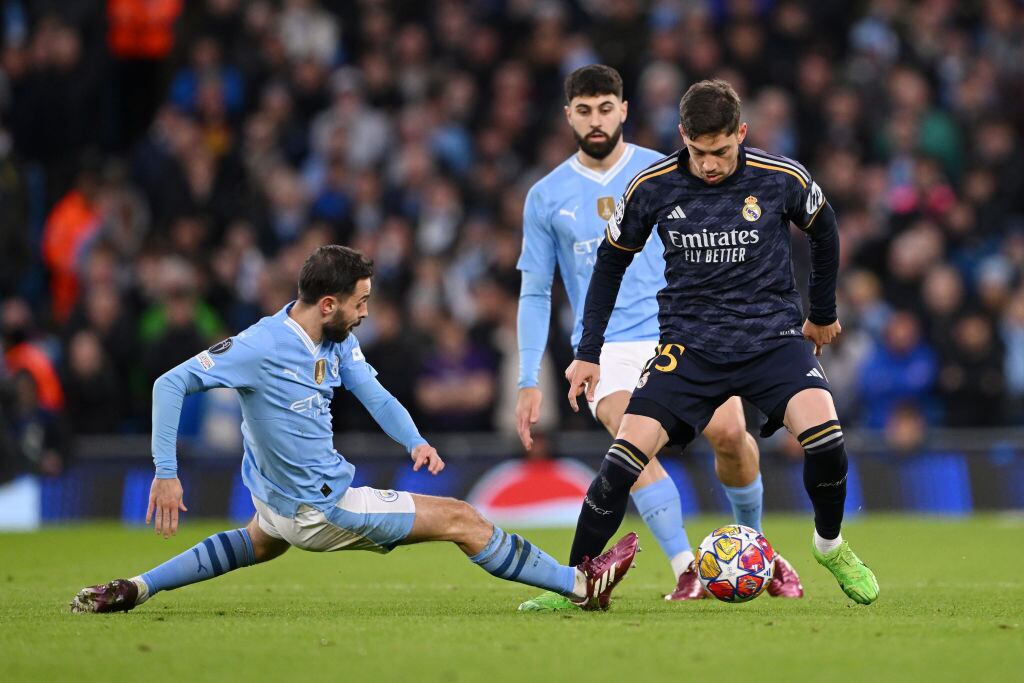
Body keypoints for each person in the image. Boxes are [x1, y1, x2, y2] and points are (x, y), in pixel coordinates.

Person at [70, 245, 638, 614]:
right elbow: (168, 384)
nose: (366, 312)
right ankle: (579, 586)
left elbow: (373, 393)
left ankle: (135, 588)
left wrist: (414, 439)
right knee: (464, 520)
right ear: (326, 303)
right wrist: (166, 475)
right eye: (360, 302)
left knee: (256, 543)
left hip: (280, 502)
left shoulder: (337, 339)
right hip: (323, 507)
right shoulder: (260, 346)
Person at [564, 80, 879, 605]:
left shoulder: (781, 177)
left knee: (825, 439)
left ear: (742, 134)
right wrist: (587, 350)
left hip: (773, 338)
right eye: (699, 152)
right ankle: (572, 580)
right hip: (689, 348)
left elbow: (825, 229)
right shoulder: (653, 186)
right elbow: (611, 262)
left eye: (722, 151)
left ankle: (829, 545)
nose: (709, 165)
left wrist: (821, 314)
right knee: (621, 464)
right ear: (683, 136)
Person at [515, 65, 802, 611]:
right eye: (583, 110)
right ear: (567, 116)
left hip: (685, 333)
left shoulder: (671, 169)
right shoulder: (545, 196)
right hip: (609, 350)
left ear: (624, 109)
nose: (595, 121)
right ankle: (686, 568)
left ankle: (758, 549)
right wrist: (531, 378)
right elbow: (534, 292)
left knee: (731, 436)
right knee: (632, 444)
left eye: (605, 108)